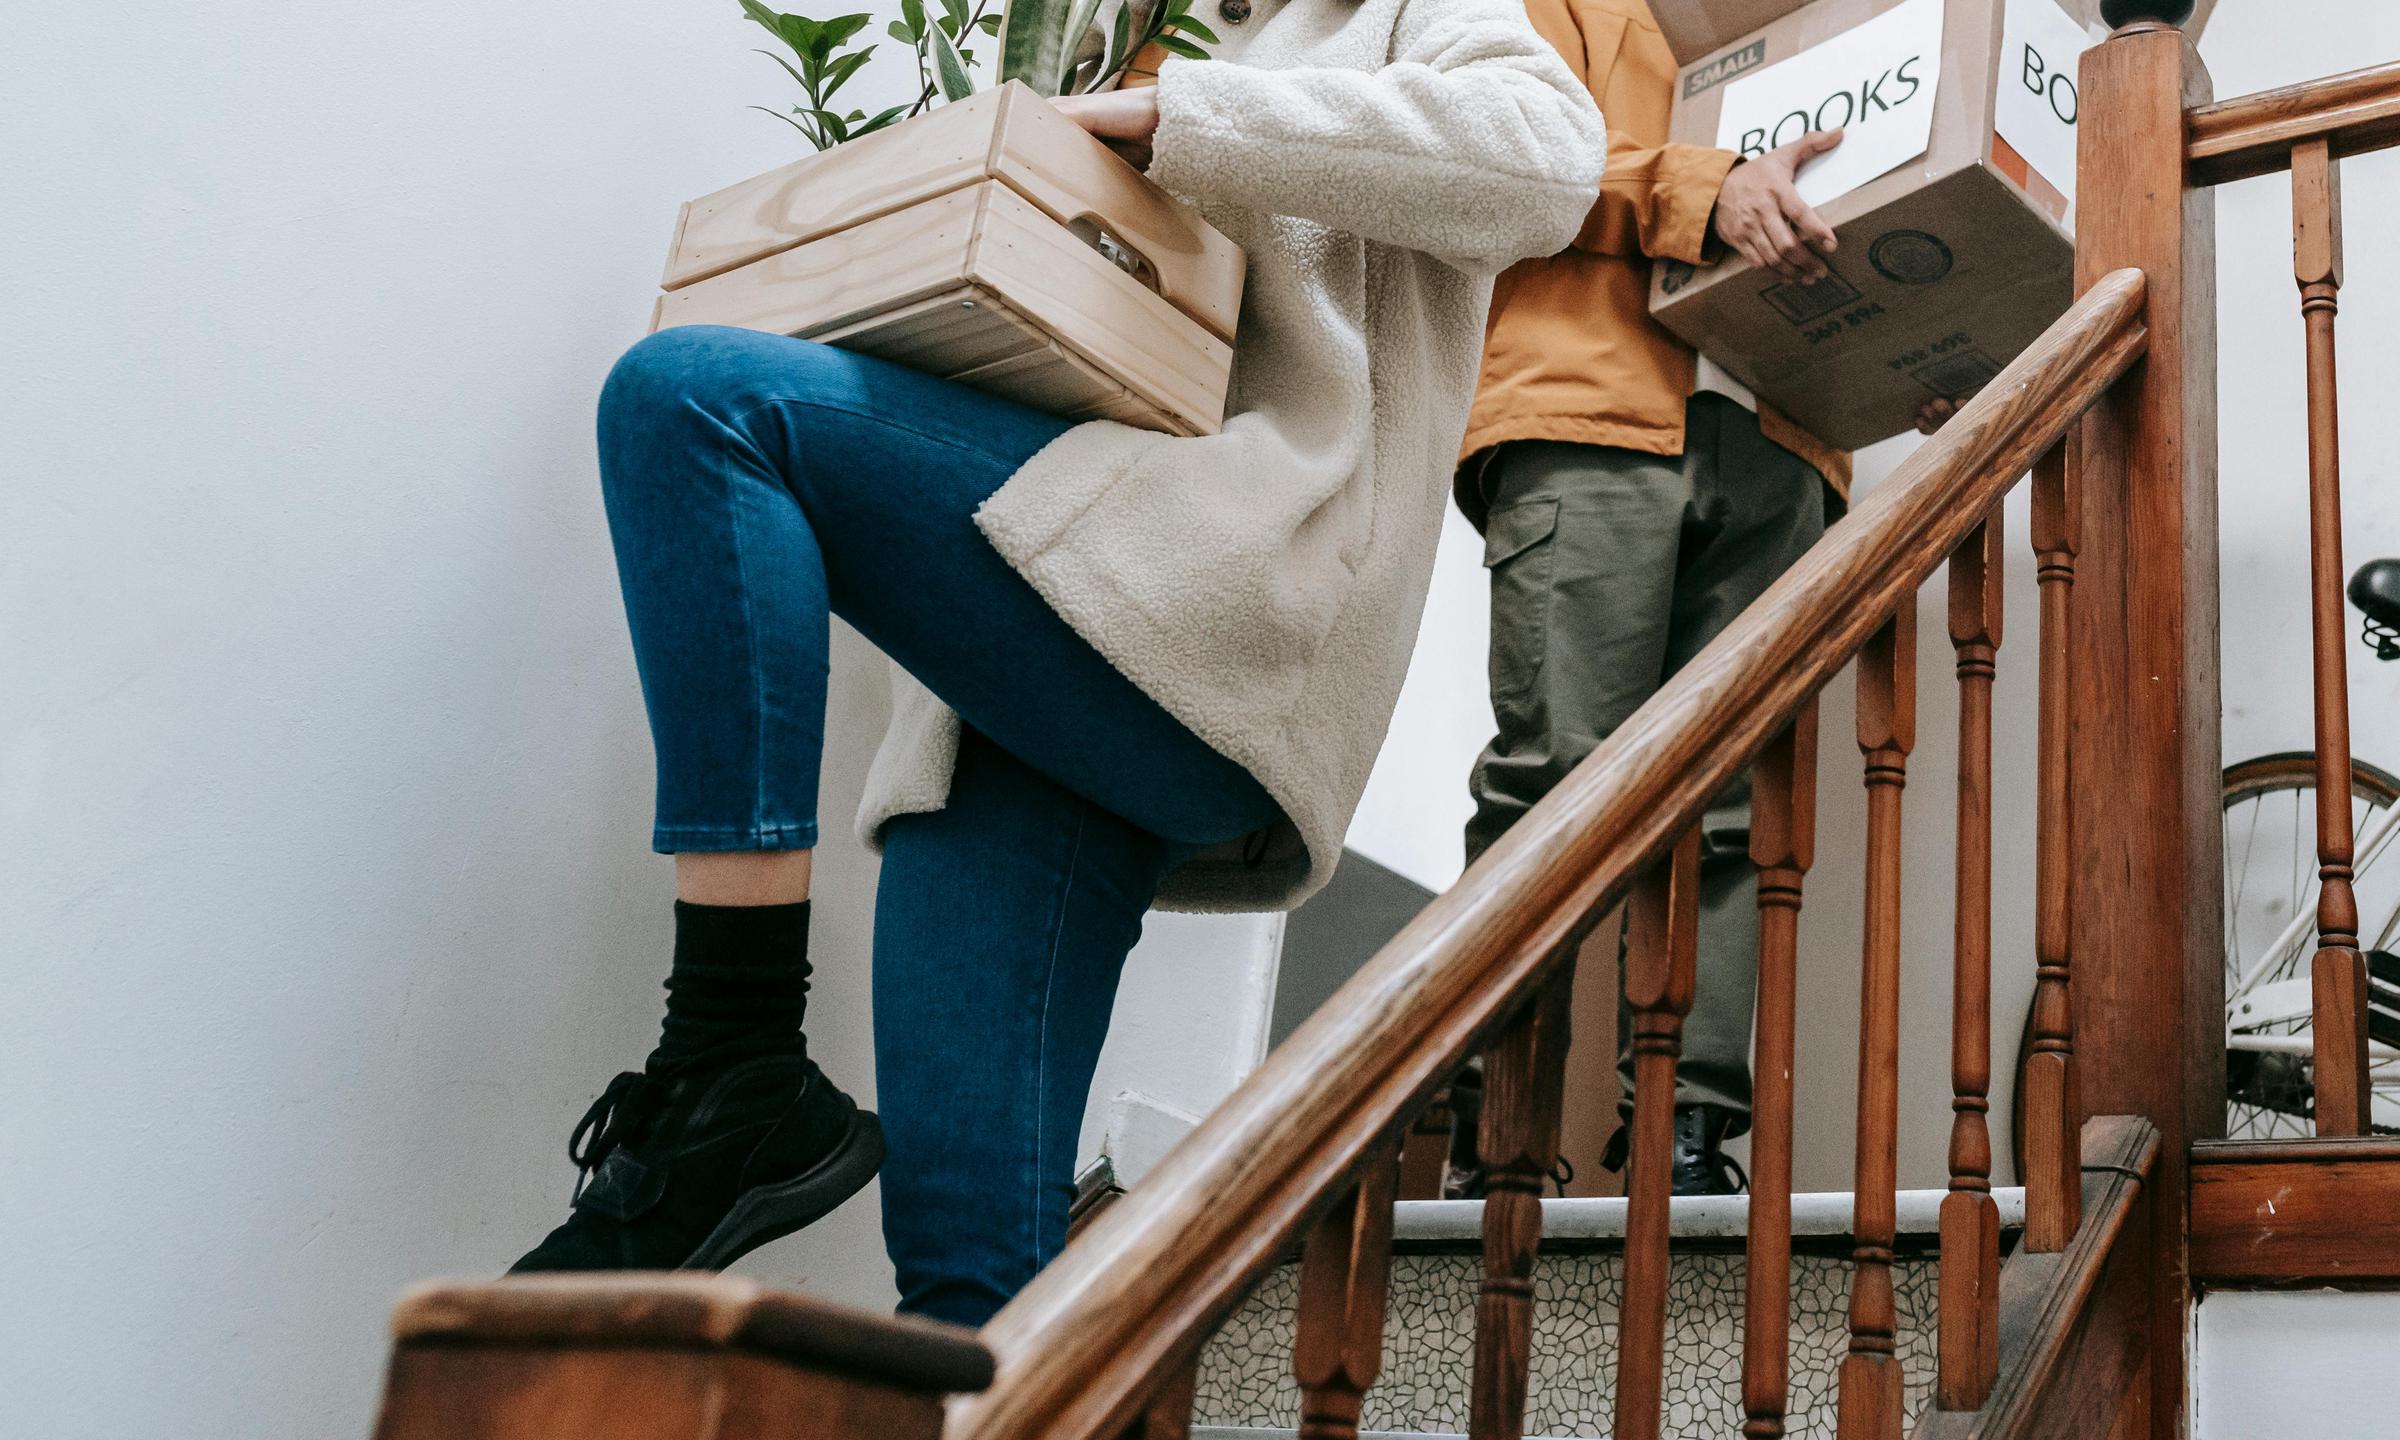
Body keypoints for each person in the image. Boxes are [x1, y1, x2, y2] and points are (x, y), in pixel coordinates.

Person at [506, 0, 1610, 1328]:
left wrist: (1177, 120)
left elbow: (1551, 157)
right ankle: (740, 1083)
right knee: (970, 1287)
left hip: (1221, 598)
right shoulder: (1102, 27)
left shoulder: (1389, 12)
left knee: (693, 399)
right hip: (1026, 658)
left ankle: (727, 1049)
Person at [1456, 0, 1889, 1196]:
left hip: (1782, 439)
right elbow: (1505, 157)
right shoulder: (1570, 8)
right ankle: (1494, 1123)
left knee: (1737, 816)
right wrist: (1705, 188)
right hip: (1589, 418)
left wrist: (1922, 344)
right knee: (1555, 777)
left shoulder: (1844, 33)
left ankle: (1688, 1134)